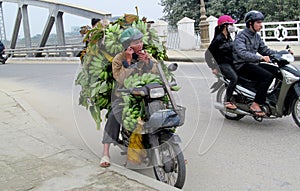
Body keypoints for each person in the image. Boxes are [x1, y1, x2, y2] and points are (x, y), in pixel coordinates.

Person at [100, 27, 159, 167]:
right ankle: (105, 153)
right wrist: (128, 61)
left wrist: (147, 63)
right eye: (135, 42)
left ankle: (168, 148)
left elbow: (157, 71)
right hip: (124, 95)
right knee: (114, 115)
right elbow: (120, 78)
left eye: (140, 41)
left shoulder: (146, 55)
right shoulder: (118, 59)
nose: (139, 45)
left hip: (145, 94)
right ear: (127, 45)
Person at [233, 10, 280, 117]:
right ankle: (256, 104)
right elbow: (242, 53)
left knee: (277, 71)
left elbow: (265, 50)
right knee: (267, 76)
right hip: (242, 65)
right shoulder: (241, 36)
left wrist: (281, 54)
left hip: (253, 64)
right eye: (258, 22)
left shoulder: (256, 36)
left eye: (261, 22)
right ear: (250, 23)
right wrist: (260, 58)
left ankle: (273, 97)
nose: (261, 25)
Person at [205, 15, 238, 110]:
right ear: (225, 26)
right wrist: (213, 67)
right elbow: (207, 54)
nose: (232, 26)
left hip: (231, 62)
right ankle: (227, 101)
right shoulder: (218, 39)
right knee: (234, 78)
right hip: (222, 64)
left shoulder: (228, 37)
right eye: (230, 24)